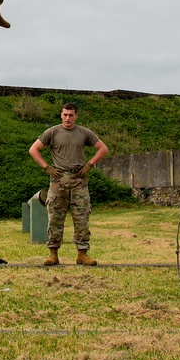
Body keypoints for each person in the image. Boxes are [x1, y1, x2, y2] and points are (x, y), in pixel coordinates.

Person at [28, 102, 110, 266]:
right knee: (55, 218)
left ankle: (82, 254)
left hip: (79, 180)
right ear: (61, 115)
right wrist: (47, 167)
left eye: (71, 115)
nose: (68, 118)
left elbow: (103, 148)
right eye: (65, 115)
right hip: (58, 181)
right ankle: (53, 254)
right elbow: (33, 149)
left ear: (76, 116)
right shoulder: (52, 132)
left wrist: (89, 164)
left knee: (81, 217)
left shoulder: (84, 132)